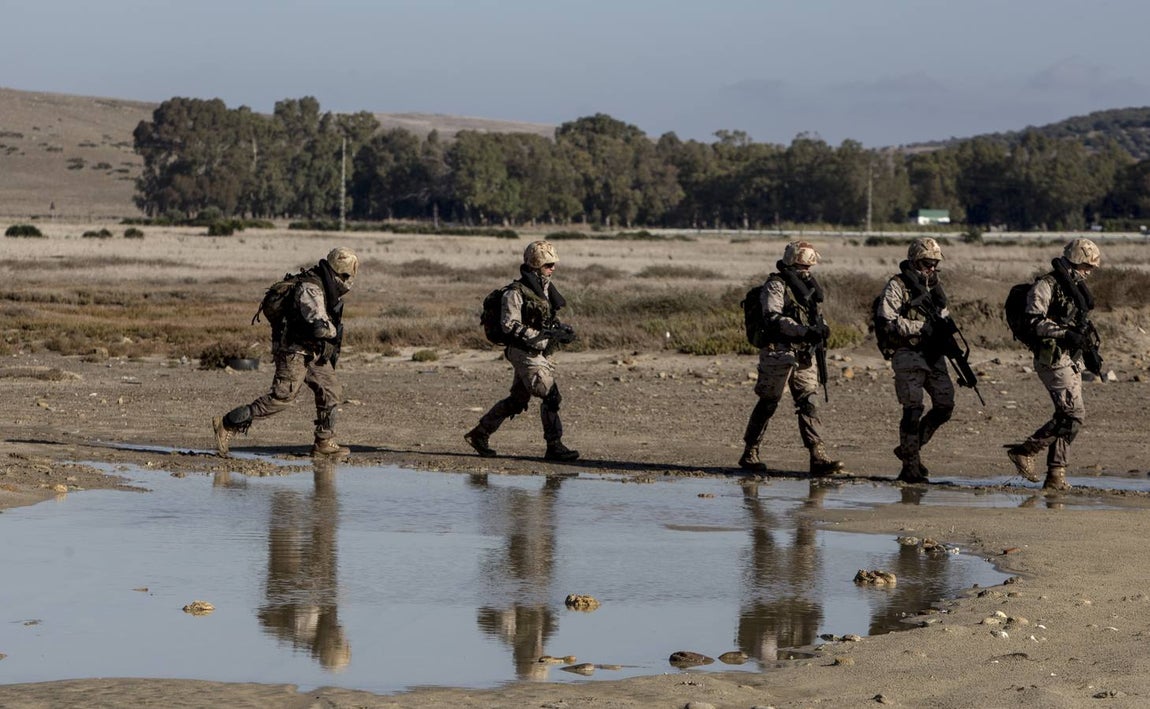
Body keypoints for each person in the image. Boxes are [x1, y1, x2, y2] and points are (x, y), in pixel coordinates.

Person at [212, 247, 359, 457]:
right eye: (348, 276)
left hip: (311, 350)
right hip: (294, 351)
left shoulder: (324, 285)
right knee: (281, 397)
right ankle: (228, 425)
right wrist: (334, 332)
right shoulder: (312, 288)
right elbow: (318, 325)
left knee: (331, 390)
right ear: (342, 273)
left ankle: (324, 441)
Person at [465, 240, 579, 462]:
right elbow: (509, 324)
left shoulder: (545, 289)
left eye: (553, 264)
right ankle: (554, 446)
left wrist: (558, 332)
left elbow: (545, 319)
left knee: (517, 401)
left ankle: (479, 434)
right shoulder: (514, 293)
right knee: (551, 395)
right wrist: (539, 337)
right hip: (523, 352)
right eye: (548, 265)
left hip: (536, 352)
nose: (552, 268)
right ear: (536, 265)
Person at [737, 240, 843, 476]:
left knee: (808, 402)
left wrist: (822, 329)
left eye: (809, 268)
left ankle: (818, 455)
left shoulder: (809, 290)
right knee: (768, 403)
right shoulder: (776, 285)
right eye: (803, 267)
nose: (807, 272)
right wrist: (803, 331)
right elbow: (772, 317)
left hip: (804, 353)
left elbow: (815, 315)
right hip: (779, 352)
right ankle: (750, 452)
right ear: (792, 263)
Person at [1006, 238, 1102, 491]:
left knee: (1066, 415)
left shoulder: (1075, 289)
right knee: (1074, 415)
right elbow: (1034, 322)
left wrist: (1088, 348)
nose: (1089, 272)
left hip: (1071, 359)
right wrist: (1066, 334)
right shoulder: (1046, 285)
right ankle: (1025, 450)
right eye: (1086, 266)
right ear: (1074, 262)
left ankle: (1056, 475)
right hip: (1052, 358)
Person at [875, 237, 956, 484]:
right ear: (914, 261)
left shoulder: (935, 288)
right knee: (912, 409)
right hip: (907, 353)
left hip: (933, 354)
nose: (931, 268)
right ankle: (910, 468)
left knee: (945, 405)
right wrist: (921, 327)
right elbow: (887, 320)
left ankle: (910, 449)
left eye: (934, 264)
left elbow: (943, 316)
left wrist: (945, 332)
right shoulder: (897, 285)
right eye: (926, 263)